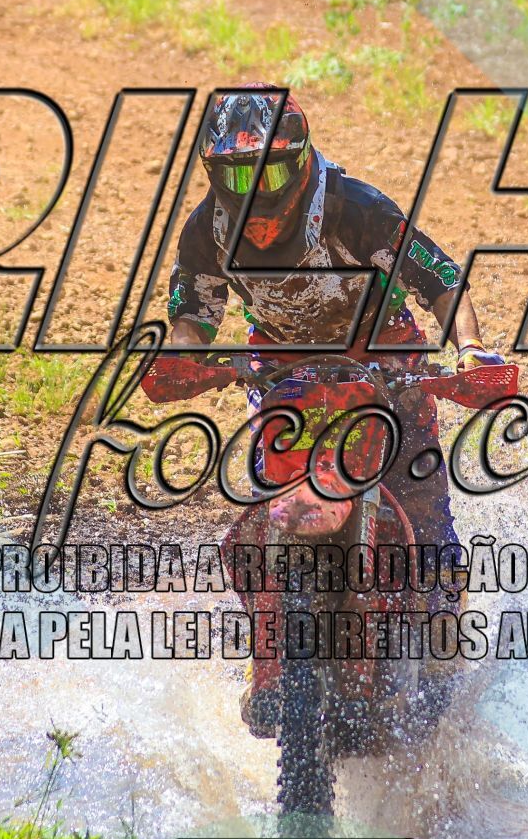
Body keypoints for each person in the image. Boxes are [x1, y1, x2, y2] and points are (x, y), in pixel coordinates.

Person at [147, 83, 503, 727]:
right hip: (281, 365)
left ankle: (444, 659)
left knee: (428, 525)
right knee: (258, 519)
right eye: (237, 175)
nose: (254, 192)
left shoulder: (356, 208)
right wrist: (181, 358)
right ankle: (269, 658)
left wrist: (471, 349)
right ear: (212, 171)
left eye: (269, 172)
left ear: (301, 160)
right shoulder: (206, 230)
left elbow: (442, 279)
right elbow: (193, 314)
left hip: (386, 356)